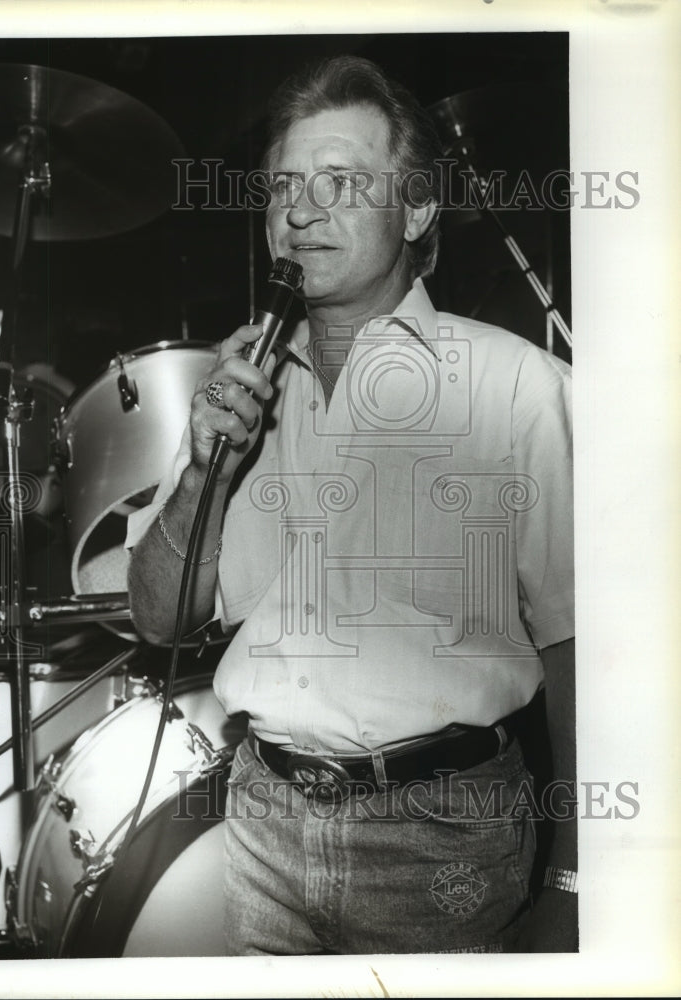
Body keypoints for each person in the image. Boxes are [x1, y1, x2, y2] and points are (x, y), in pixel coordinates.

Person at [127, 54, 576, 955]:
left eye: (340, 182)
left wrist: (573, 883)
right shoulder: (235, 383)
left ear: (415, 208)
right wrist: (199, 475)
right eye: (285, 185)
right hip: (259, 820)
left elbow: (585, 652)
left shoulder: (514, 383)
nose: (300, 210)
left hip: (446, 835)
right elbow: (159, 621)